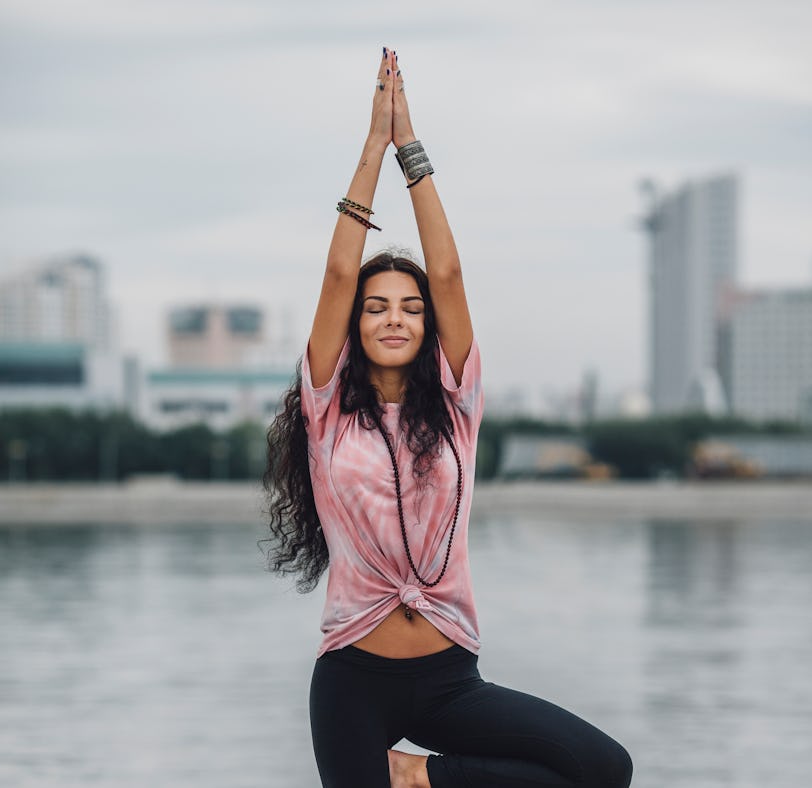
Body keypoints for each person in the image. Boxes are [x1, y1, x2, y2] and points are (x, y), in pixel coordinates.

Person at [264, 47, 633, 788]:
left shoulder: (459, 407)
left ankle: (421, 776)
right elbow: (340, 271)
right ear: (356, 326)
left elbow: (450, 275)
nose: (393, 318)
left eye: (409, 307)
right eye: (376, 308)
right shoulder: (328, 408)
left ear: (430, 326)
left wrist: (412, 153)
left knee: (602, 770)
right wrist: (372, 146)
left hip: (448, 676)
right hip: (352, 681)